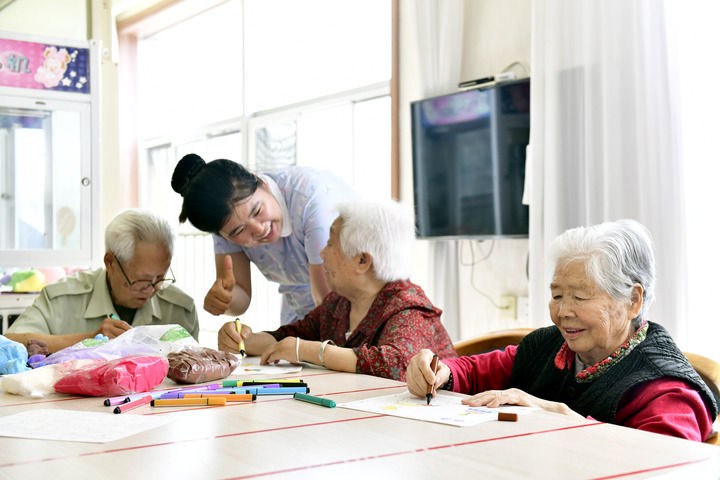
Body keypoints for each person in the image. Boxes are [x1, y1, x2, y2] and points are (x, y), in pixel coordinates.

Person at [406, 219, 718, 441]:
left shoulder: (668, 391)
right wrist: (439, 372)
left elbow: (668, 465)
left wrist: (559, 416)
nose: (563, 312)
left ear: (632, 301)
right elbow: (476, 371)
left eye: (580, 297)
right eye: (556, 296)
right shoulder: (550, 348)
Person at [219, 200, 456, 381]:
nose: (321, 253)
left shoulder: (408, 307)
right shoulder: (339, 302)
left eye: (330, 243)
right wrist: (242, 339)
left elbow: (397, 365)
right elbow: (288, 339)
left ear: (362, 261)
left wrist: (311, 351)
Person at [171, 154, 358, 328]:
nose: (259, 229)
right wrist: (226, 299)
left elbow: (330, 303)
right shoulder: (226, 224)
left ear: (261, 182)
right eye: (239, 230)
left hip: (352, 303)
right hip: (303, 309)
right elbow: (241, 295)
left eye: (257, 211)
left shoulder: (311, 200)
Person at [5, 209, 199, 353]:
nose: (151, 290)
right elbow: (8, 344)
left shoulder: (179, 310)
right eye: (142, 280)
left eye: (161, 278)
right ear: (110, 262)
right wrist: (89, 340)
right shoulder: (61, 300)